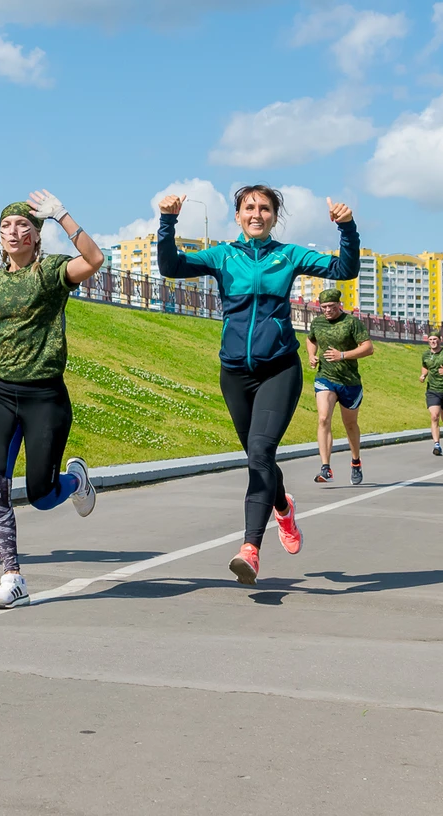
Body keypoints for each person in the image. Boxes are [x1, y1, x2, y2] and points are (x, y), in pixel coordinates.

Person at [159, 186, 360, 586]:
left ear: (274, 217)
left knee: (261, 452)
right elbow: (171, 266)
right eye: (249, 207)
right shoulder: (222, 256)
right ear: (237, 216)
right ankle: (283, 506)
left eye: (265, 208)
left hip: (279, 370)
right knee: (257, 457)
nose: (257, 214)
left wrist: (347, 228)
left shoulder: (289, 256)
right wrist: (167, 222)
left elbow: (344, 269)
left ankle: (249, 549)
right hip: (235, 373)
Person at [0, 191, 105, 609]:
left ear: (35, 235)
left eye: (22, 225)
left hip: (45, 396)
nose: (13, 232)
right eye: (6, 226)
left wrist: (62, 215)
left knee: (42, 495)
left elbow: (95, 259)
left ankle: (76, 481)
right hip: (1, 393)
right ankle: (12, 576)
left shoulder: (52, 272)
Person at [307, 288, 374, 485]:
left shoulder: (351, 322)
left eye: (331, 307)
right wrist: (311, 355)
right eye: (324, 307)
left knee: (350, 424)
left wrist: (342, 355)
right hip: (325, 378)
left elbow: (368, 348)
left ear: (339, 305)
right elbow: (311, 339)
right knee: (323, 418)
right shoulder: (317, 323)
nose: (328, 310)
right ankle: (325, 468)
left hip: (349, 381)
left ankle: (355, 461)